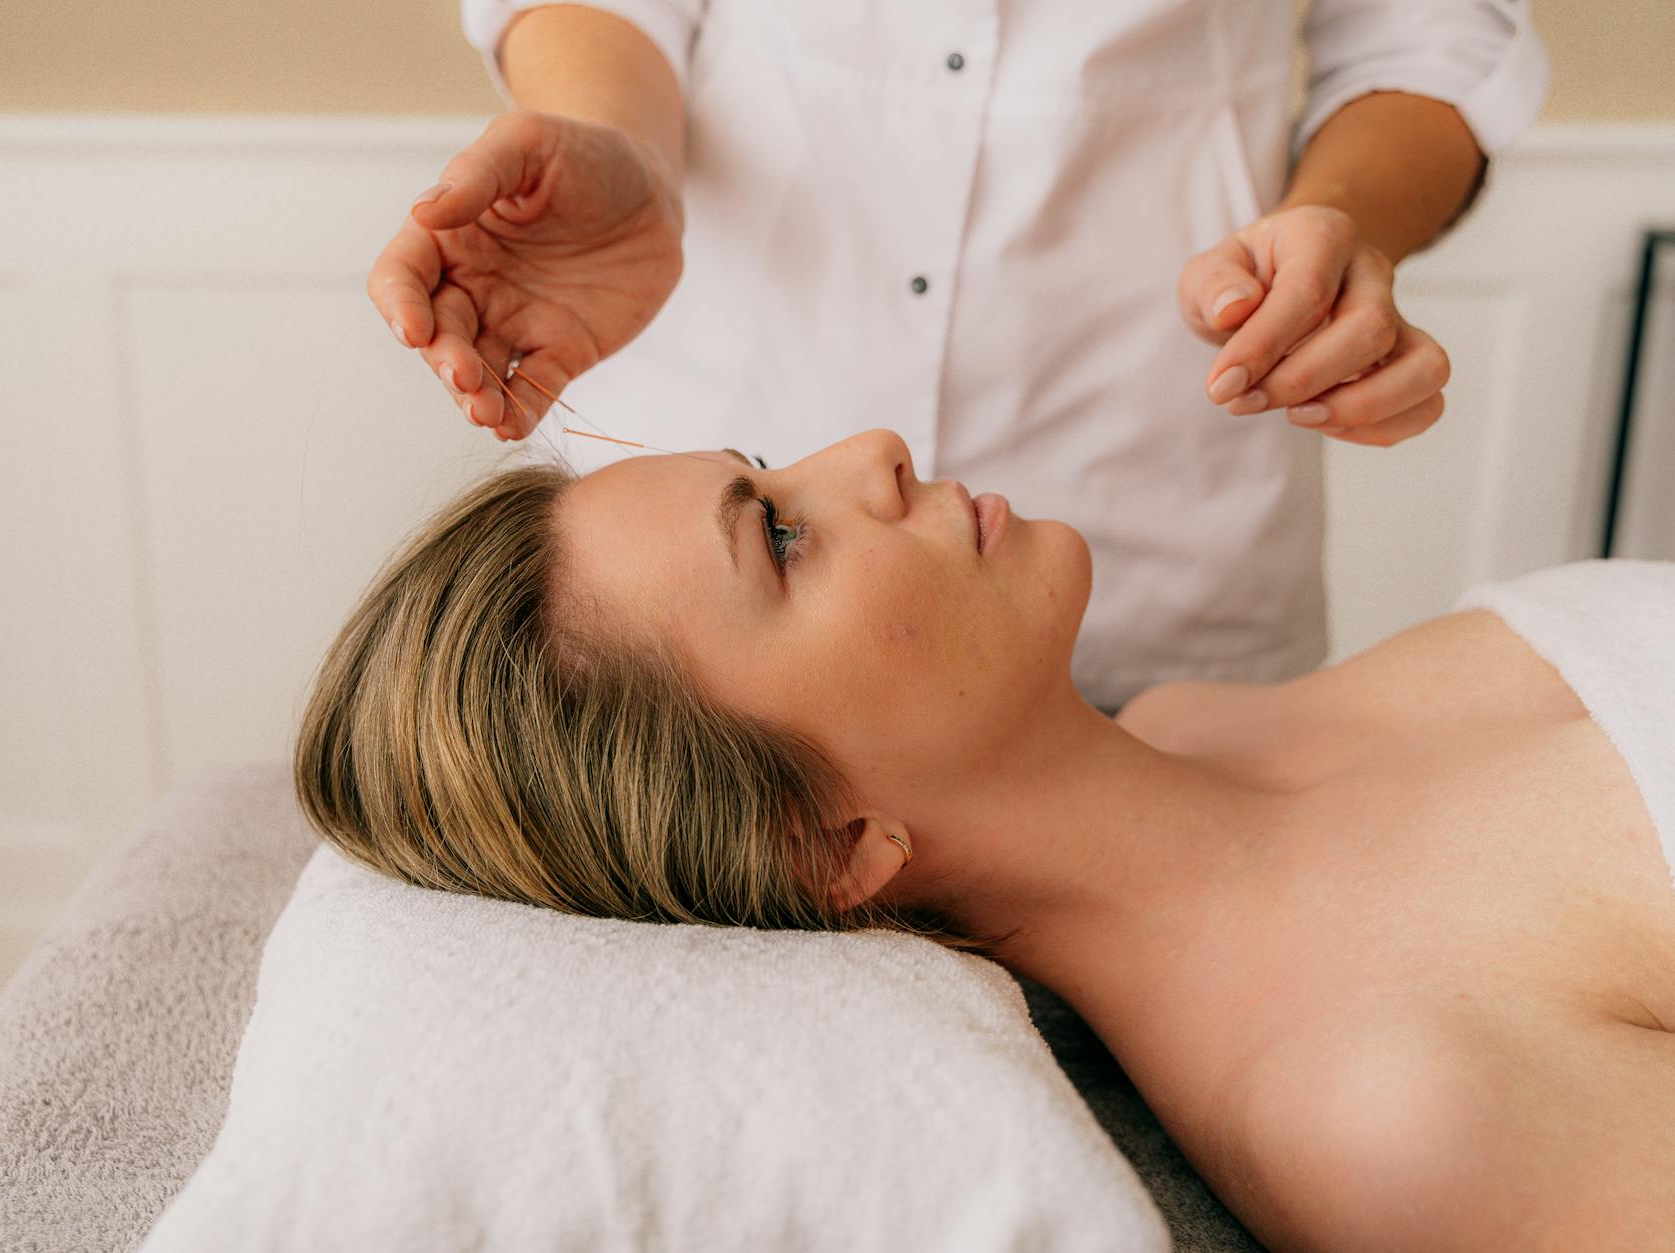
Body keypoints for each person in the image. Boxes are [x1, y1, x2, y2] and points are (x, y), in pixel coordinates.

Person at [296, 432, 1673, 1249]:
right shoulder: (1396, 1114)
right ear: (831, 848)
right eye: (780, 535)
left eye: (769, 461)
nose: (872, 452)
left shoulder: (1210, 717)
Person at [368, 0, 1548, 713]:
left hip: (1162, 530)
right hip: (708, 443)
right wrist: (618, 140)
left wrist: (1340, 219)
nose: (883, 459)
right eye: (773, 523)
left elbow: (1426, 30)